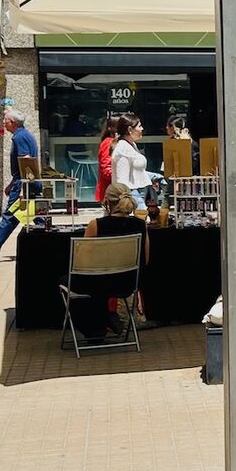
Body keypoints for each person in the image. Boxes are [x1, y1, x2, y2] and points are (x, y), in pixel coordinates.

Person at [75, 182, 148, 338]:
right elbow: (145, 259)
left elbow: (81, 262)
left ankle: (96, 326)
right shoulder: (141, 225)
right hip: (129, 282)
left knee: (68, 282)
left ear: (107, 202)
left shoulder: (96, 225)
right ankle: (106, 319)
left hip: (98, 283)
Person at [0, 110, 41, 263]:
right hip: (26, 183)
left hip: (24, 185)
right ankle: (47, 247)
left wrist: (22, 190)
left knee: (9, 219)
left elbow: (26, 162)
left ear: (12, 122)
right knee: (38, 218)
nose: (3, 122)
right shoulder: (25, 135)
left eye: (5, 119)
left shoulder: (19, 137)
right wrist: (11, 184)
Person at [111, 114, 151, 207]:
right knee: (141, 219)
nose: (142, 129)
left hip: (138, 192)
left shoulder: (131, 145)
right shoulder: (122, 149)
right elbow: (121, 180)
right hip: (132, 194)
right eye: (139, 126)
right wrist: (126, 202)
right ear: (130, 130)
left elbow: (136, 171)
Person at [95, 114, 116, 206]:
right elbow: (107, 170)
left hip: (114, 191)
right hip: (111, 192)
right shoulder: (108, 143)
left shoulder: (116, 142)